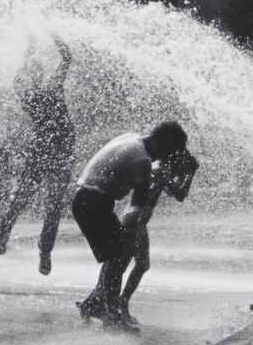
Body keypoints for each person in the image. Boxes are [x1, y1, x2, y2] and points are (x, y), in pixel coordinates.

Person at [71, 120, 191, 329]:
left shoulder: (131, 138)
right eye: (169, 151)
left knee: (114, 258)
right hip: (93, 202)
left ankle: (98, 306)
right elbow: (138, 204)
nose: (166, 157)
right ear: (162, 143)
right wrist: (131, 232)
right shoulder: (142, 160)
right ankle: (111, 315)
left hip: (87, 199)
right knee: (117, 259)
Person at [0, 33, 76, 274]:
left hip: (60, 154)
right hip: (40, 153)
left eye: (29, 72)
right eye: (25, 73)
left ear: (37, 74)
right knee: (18, 201)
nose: (25, 75)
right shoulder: (26, 93)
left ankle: (44, 252)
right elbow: (33, 62)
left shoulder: (51, 85)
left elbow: (66, 56)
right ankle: (0, 243)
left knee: (53, 207)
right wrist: (31, 42)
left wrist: (50, 32)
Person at [114, 148, 198, 325]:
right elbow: (180, 194)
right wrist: (190, 175)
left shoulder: (160, 170)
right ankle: (116, 303)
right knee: (127, 266)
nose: (180, 174)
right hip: (133, 223)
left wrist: (184, 176)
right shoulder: (160, 172)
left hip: (135, 222)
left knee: (127, 266)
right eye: (182, 169)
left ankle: (103, 303)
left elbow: (174, 191)